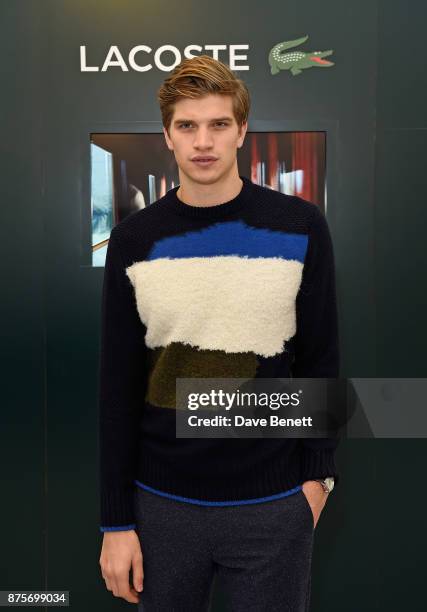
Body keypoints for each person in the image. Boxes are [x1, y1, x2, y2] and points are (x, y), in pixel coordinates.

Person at [98, 54, 340, 611]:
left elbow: (321, 360)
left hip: (275, 506)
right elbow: (117, 388)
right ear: (167, 135)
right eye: (187, 126)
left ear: (241, 132)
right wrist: (115, 521)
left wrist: (318, 482)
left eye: (218, 124)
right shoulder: (134, 240)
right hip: (160, 508)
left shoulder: (301, 226)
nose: (202, 141)